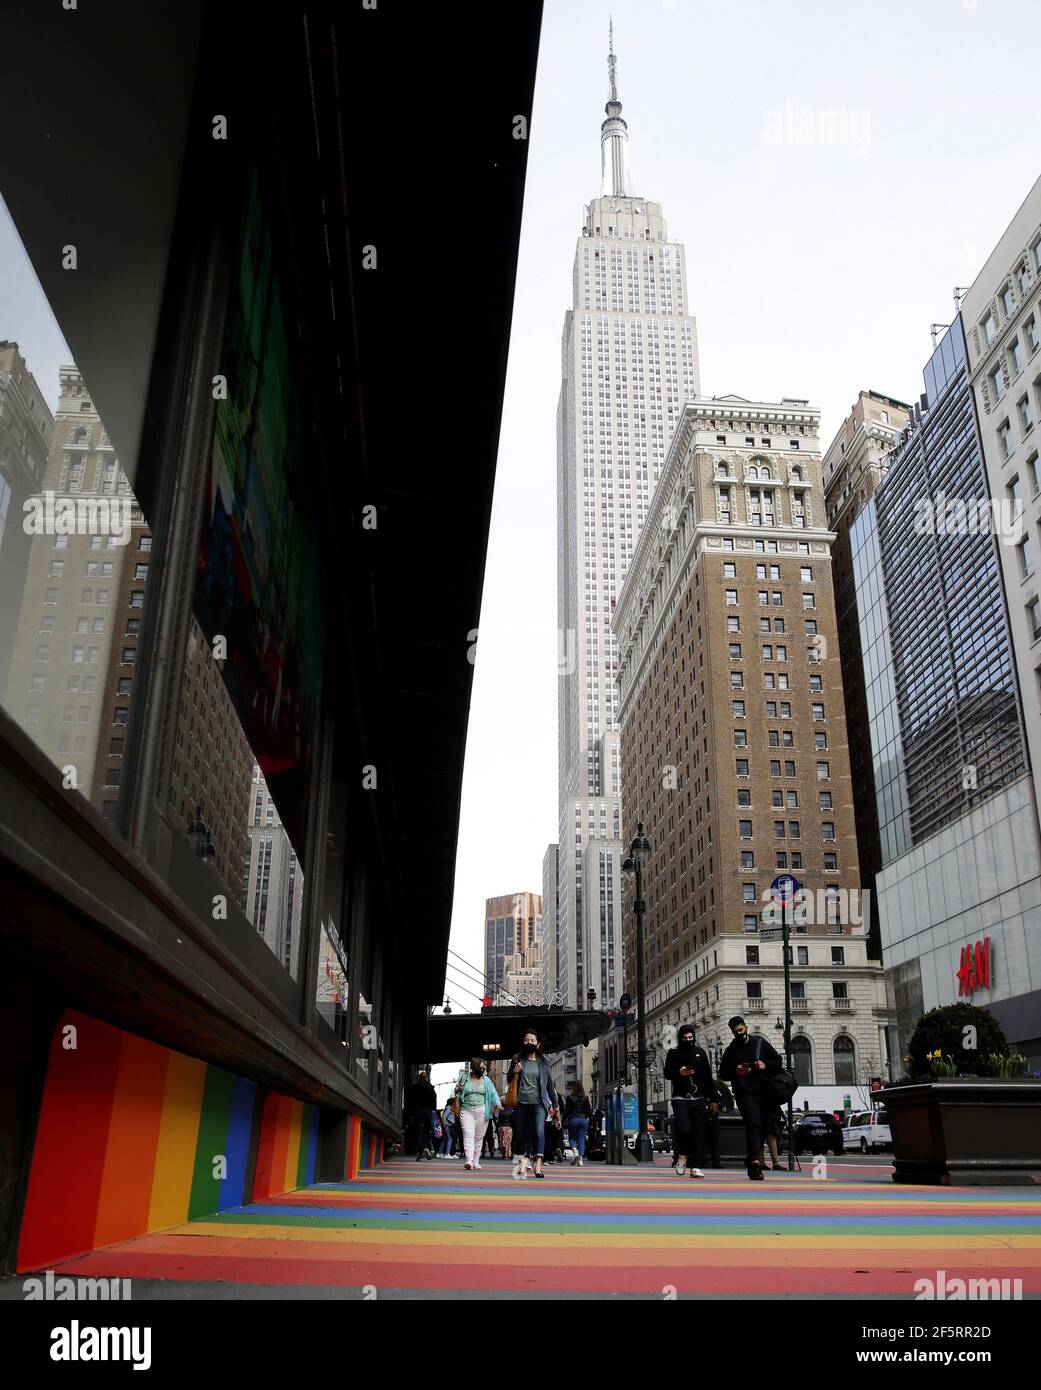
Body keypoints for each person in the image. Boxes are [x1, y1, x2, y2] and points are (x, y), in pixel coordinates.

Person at [718, 1017, 783, 1181]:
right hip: (744, 1094)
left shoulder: (760, 1044)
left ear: (746, 1028)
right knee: (753, 1123)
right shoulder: (730, 1051)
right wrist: (736, 1072)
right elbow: (723, 1073)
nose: (739, 1034)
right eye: (735, 1032)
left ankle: (752, 1158)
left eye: (741, 1030)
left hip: (765, 1092)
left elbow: (778, 1061)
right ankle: (754, 1163)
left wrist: (765, 1065)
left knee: (762, 1127)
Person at [662, 1024, 720, 1180]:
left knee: (699, 1132)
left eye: (691, 1038)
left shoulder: (700, 1053)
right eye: (685, 1038)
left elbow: (708, 1077)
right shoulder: (674, 1054)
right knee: (684, 1128)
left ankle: (696, 1166)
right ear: (680, 1038)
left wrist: (713, 1098)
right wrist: (679, 1073)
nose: (688, 1040)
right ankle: (681, 1155)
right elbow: (667, 1073)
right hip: (680, 1097)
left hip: (699, 1098)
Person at [507, 1029, 560, 1179]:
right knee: (521, 1134)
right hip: (521, 1103)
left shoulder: (543, 1062)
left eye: (532, 1040)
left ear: (538, 1044)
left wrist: (555, 1105)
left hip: (539, 1104)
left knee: (539, 1131)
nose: (528, 1043)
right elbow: (509, 1080)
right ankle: (523, 1163)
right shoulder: (517, 1059)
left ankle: (538, 1165)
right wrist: (515, 1071)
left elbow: (549, 1085)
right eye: (526, 1040)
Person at [455, 1057, 500, 1170]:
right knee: (468, 1134)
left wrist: (497, 1104)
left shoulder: (487, 1080)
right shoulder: (464, 1079)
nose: (483, 1068)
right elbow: (457, 1091)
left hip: (482, 1111)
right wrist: (457, 1094)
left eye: (484, 1066)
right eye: (481, 1067)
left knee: (479, 1137)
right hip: (466, 1110)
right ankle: (469, 1160)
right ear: (475, 1068)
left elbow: (493, 1093)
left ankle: (476, 1161)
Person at [406, 1071, 438, 1160]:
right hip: (428, 1113)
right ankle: (427, 1148)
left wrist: (410, 1112)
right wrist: (433, 1112)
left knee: (418, 1132)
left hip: (418, 1112)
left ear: (419, 1078)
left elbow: (410, 1100)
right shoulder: (431, 1088)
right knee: (427, 1132)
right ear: (426, 1078)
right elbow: (434, 1101)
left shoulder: (415, 1087)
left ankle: (420, 1152)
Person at [563, 1081, 592, 1166]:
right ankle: (581, 1160)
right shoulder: (585, 1098)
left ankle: (575, 1151)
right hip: (583, 1120)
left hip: (573, 1119)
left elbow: (566, 1111)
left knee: (572, 1138)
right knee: (581, 1139)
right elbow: (589, 1111)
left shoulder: (570, 1097)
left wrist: (562, 1120)